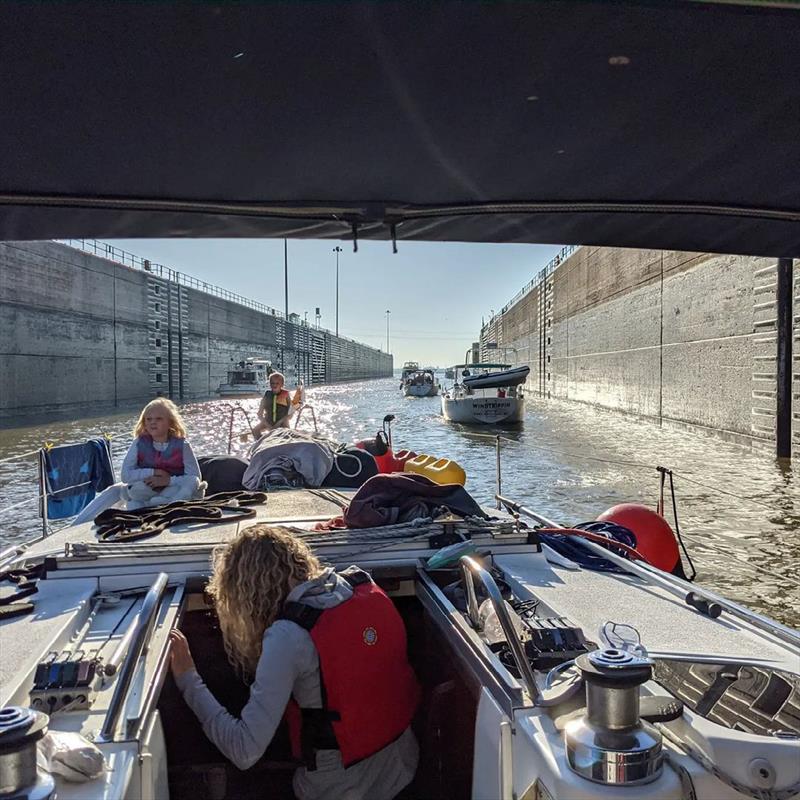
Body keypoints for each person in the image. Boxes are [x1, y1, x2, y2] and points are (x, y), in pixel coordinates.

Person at [169, 525, 420, 800]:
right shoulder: (362, 586)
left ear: (245, 594)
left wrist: (187, 677)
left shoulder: (288, 636)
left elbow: (244, 751)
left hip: (338, 789)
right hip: (402, 769)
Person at [72, 398, 203, 524]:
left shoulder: (182, 445)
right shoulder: (139, 443)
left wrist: (168, 480)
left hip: (173, 487)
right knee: (114, 490)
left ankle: (168, 505)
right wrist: (153, 472)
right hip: (145, 488)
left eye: (159, 419)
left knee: (189, 483)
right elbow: (125, 476)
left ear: (170, 422)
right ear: (144, 422)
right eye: (149, 419)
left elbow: (195, 477)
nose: (153, 422)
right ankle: (75, 526)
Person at [251, 371, 293, 438]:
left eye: (277, 383)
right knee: (255, 431)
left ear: (282, 384)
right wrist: (268, 426)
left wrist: (279, 423)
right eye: (272, 383)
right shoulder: (267, 395)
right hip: (268, 421)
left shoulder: (286, 395)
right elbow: (259, 414)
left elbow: (290, 413)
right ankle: (263, 443)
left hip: (282, 422)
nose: (274, 385)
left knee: (286, 434)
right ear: (270, 384)